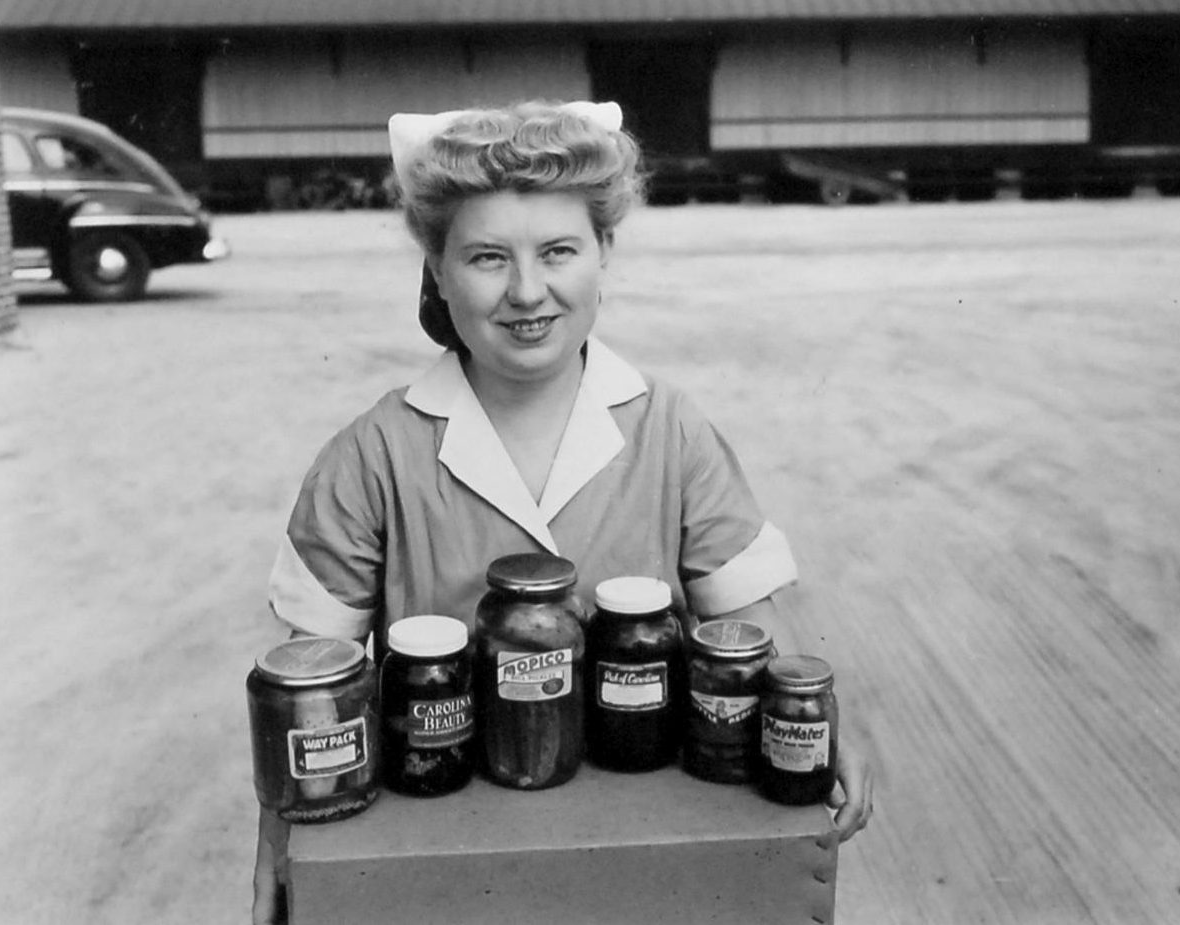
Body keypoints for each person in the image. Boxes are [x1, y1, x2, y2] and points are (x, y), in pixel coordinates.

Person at [253, 99, 874, 925]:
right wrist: (280, 854)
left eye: (558, 250)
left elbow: (751, 639)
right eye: (484, 257)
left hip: (650, 850)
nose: (527, 292)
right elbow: (309, 695)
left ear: (604, 252)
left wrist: (822, 727)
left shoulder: (671, 430)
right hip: (444, 862)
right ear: (436, 268)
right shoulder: (370, 457)